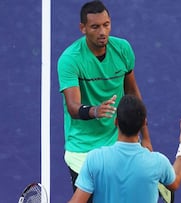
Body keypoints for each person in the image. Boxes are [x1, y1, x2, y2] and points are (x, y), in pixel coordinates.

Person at [57, 0, 153, 197]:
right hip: (82, 149)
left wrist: (146, 138)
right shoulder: (70, 59)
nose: (102, 31)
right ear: (82, 28)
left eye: (106, 25)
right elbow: (73, 107)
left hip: (114, 144)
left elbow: (133, 94)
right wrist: (95, 111)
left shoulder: (123, 49)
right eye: (95, 26)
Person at [68, 95, 181, 203]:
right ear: (144, 123)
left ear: (116, 122)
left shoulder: (94, 159)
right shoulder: (158, 162)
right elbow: (175, 182)